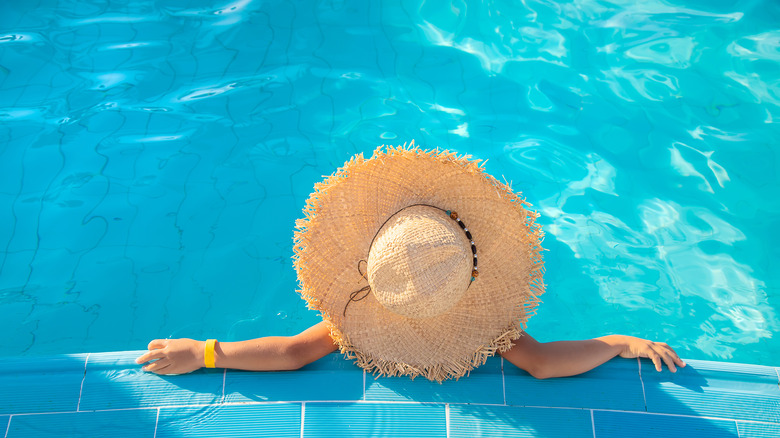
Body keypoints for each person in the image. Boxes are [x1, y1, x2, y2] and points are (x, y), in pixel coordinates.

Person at [137, 143, 685, 380]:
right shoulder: (491, 334)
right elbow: (542, 364)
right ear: (474, 271)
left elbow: (290, 355)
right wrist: (619, 343)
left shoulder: (354, 324)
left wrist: (204, 353)